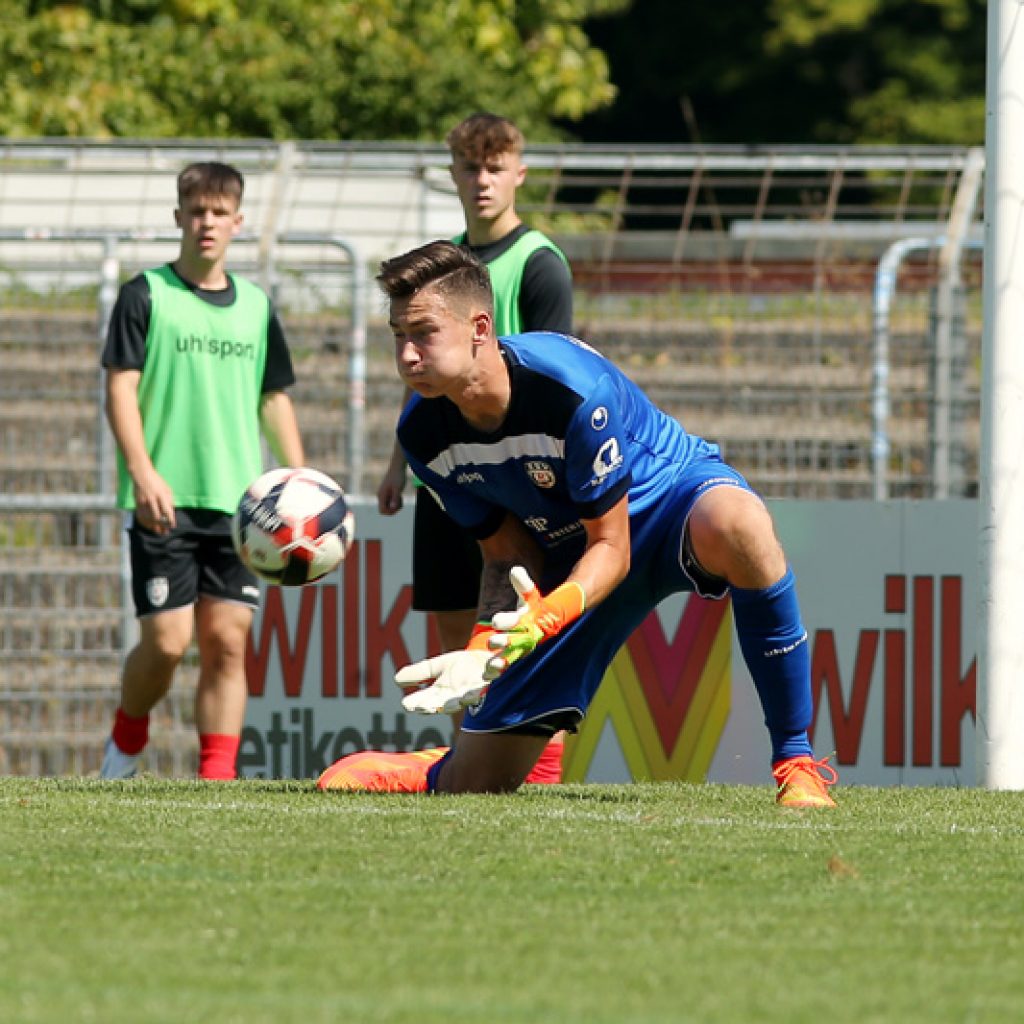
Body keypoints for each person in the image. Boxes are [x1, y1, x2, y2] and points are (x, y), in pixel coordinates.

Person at [318, 240, 838, 808]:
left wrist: (543, 618)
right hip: (574, 556)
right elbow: (507, 554)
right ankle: (437, 768)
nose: (408, 355)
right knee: (478, 784)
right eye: (398, 336)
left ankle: (797, 763)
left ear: (479, 328)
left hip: (667, 505)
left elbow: (614, 547)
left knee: (742, 524)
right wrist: (485, 645)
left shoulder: (568, 390)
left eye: (422, 333)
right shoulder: (423, 436)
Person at [375, 113, 573, 783]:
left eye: (495, 167)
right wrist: (397, 462)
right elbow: (422, 371)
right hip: (446, 474)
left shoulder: (538, 262)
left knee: (517, 629)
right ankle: (468, 766)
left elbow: (555, 366)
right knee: (455, 630)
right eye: (469, 167)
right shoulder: (439, 262)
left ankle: (533, 767)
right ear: (453, 174)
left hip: (515, 478)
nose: (482, 180)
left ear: (519, 172)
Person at [100, 161, 305, 780]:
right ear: (179, 218)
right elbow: (120, 388)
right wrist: (143, 472)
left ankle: (216, 780)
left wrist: (299, 480)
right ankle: (127, 739)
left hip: (244, 506)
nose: (207, 223)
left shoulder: (257, 307)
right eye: (196, 211)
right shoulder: (145, 294)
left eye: (219, 213)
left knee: (227, 643)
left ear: (237, 222)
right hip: (165, 498)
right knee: (166, 643)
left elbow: (273, 398)